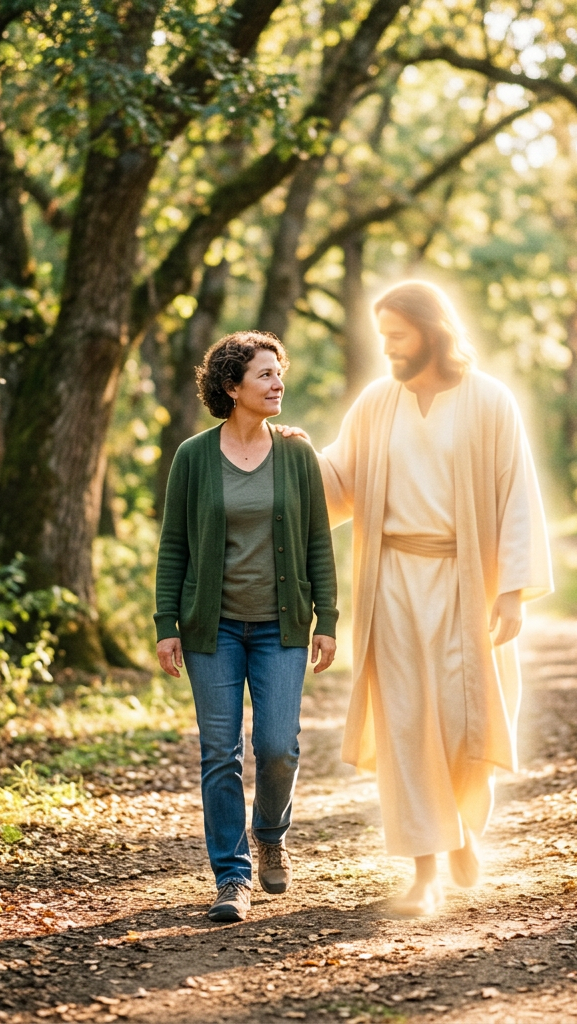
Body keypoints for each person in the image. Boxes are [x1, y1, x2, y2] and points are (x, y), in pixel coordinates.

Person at [311, 281, 552, 915]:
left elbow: (517, 496)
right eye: (383, 337)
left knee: (464, 714)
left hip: (466, 580)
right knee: (406, 723)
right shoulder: (376, 402)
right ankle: (424, 873)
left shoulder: (489, 401)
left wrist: (513, 592)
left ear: (431, 331)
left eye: (398, 335)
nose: (388, 347)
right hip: (391, 581)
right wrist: (295, 456)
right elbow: (339, 479)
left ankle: (463, 826)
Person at [154, 330, 338, 924]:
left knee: (278, 747)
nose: (278, 383)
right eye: (265, 374)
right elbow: (174, 545)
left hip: (281, 628)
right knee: (220, 753)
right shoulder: (193, 457)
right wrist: (165, 623)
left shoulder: (297, 454)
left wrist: (328, 617)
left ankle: (271, 835)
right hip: (213, 630)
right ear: (232, 387)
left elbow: (317, 540)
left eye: (279, 372)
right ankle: (231, 877)